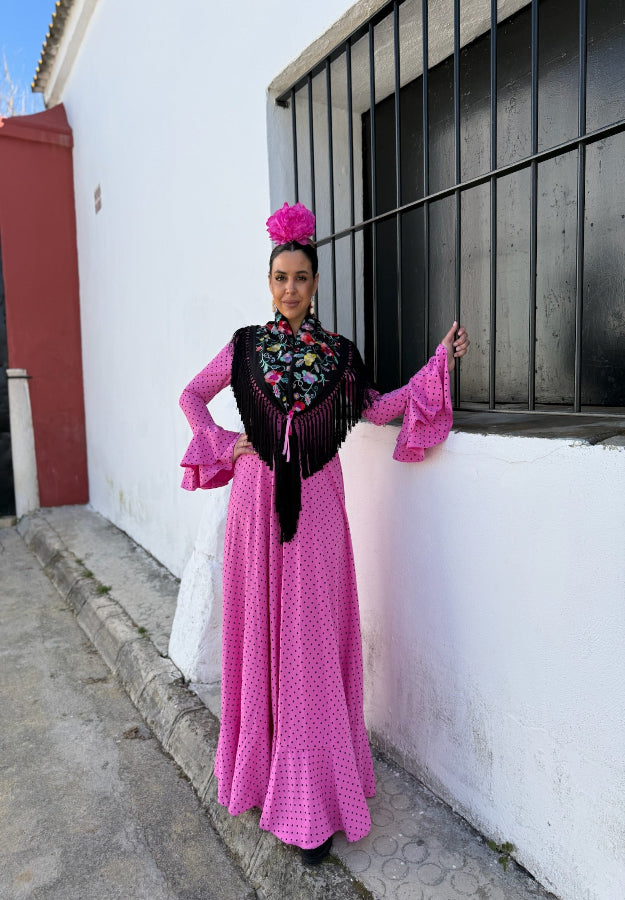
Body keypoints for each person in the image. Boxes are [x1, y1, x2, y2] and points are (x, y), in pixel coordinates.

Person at [179, 201, 470, 865]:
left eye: (300, 278)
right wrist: (227, 446)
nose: (289, 288)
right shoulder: (244, 348)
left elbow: (376, 408)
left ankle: (311, 800)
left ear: (314, 285)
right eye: (280, 277)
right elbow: (190, 397)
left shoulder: (336, 356)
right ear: (269, 282)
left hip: (317, 510)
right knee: (263, 635)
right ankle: (265, 776)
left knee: (308, 643)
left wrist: (435, 368)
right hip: (257, 508)